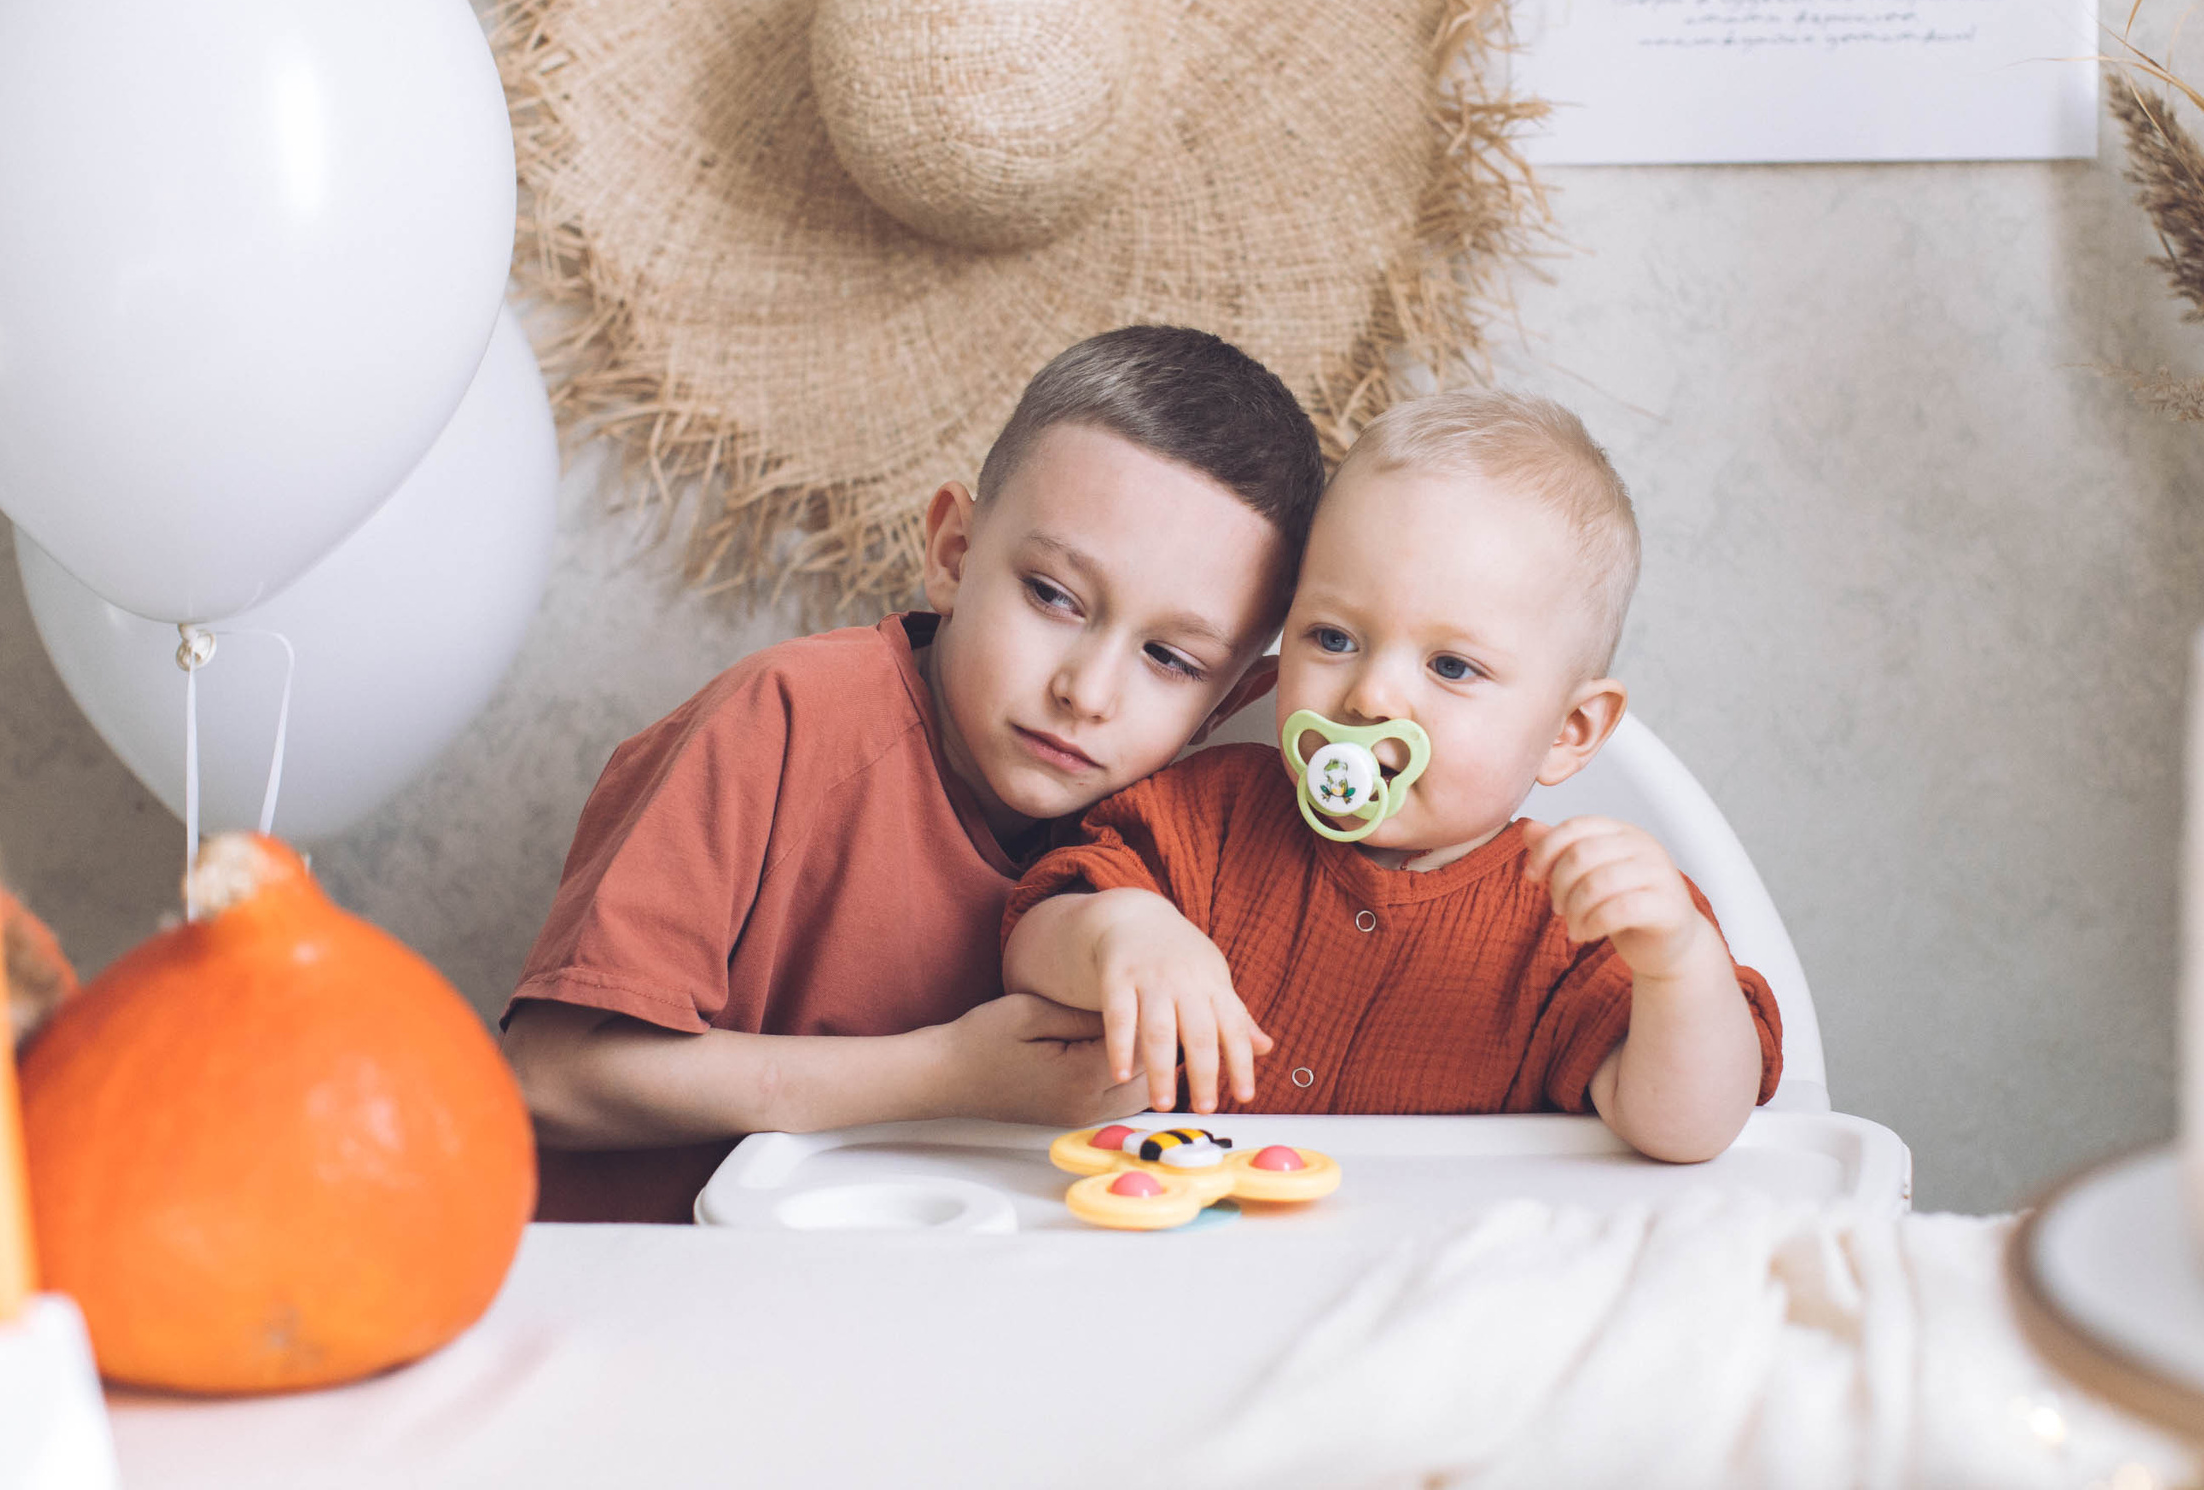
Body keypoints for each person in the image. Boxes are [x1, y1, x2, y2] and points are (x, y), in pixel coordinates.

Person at [504, 325, 1325, 1220]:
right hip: (647, 1288)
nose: (1086, 692)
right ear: (954, 554)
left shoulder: (1180, 833)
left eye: (1169, 656)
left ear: (1225, 701)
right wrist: (947, 1072)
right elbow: (547, 1076)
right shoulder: (779, 722)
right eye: (1053, 596)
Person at [1002, 390, 1783, 1162]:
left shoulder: (1576, 916)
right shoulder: (1212, 814)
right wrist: (1120, 933)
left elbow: (1687, 1128)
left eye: (1451, 665)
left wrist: (1676, 965)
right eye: (1334, 637)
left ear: (1568, 732)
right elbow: (1029, 937)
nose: (1371, 695)